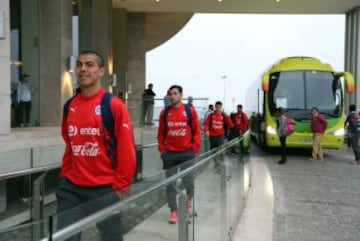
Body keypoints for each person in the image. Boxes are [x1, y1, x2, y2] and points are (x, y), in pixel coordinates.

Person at [56, 50, 136, 241]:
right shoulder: (70, 106)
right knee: (65, 237)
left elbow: (127, 149)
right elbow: (70, 143)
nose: (83, 69)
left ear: (101, 71)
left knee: (112, 238)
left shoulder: (113, 105)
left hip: (104, 189)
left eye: (89, 64)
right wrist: (66, 173)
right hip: (71, 189)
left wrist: (121, 185)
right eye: (80, 64)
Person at [157, 85, 201, 224]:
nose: (172, 96)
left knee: (188, 180)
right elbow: (161, 134)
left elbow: (197, 131)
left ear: (181, 95)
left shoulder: (189, 111)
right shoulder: (165, 113)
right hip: (170, 154)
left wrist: (194, 148)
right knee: (170, 184)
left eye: (175, 93)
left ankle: (189, 201)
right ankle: (173, 210)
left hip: (186, 153)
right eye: (170, 94)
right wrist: (162, 150)